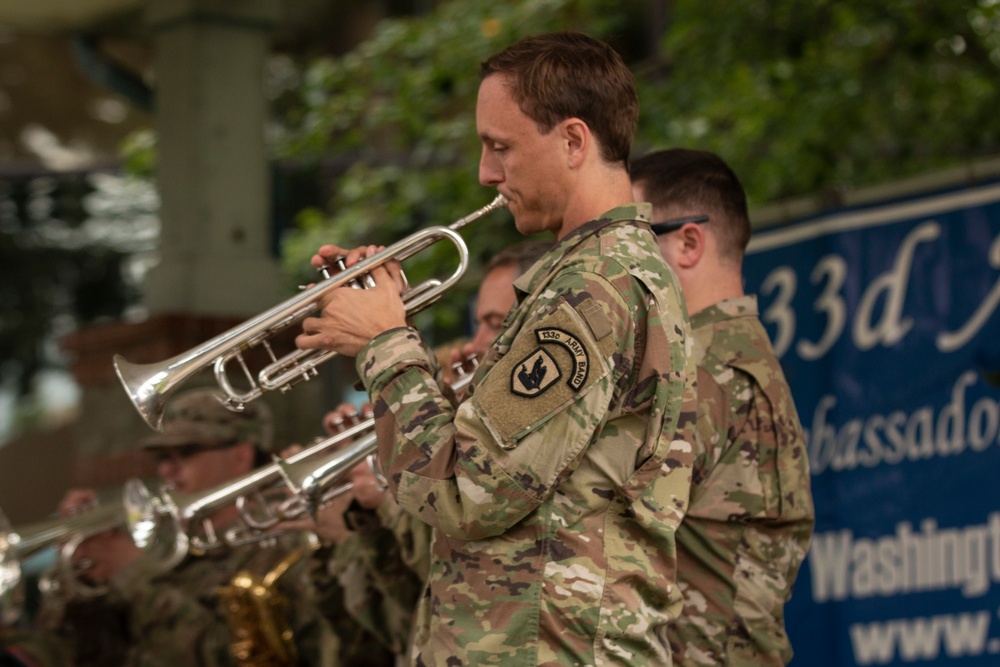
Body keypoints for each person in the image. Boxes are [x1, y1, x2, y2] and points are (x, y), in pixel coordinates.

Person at [296, 31, 698, 665]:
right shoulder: (589, 279)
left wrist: (384, 344)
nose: (486, 172)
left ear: (573, 140)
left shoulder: (593, 292)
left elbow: (465, 491)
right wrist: (388, 315)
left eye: (500, 147)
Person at [35, 387, 386, 667]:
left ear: (241, 456)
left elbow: (230, 655)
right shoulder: (161, 548)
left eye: (185, 452)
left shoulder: (289, 543)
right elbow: (72, 652)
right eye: (162, 457)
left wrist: (134, 575)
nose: (168, 470)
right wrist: (81, 578)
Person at [630, 148, 815, 666]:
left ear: (688, 243)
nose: (613, 266)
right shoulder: (723, 355)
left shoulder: (703, 368)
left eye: (630, 244)